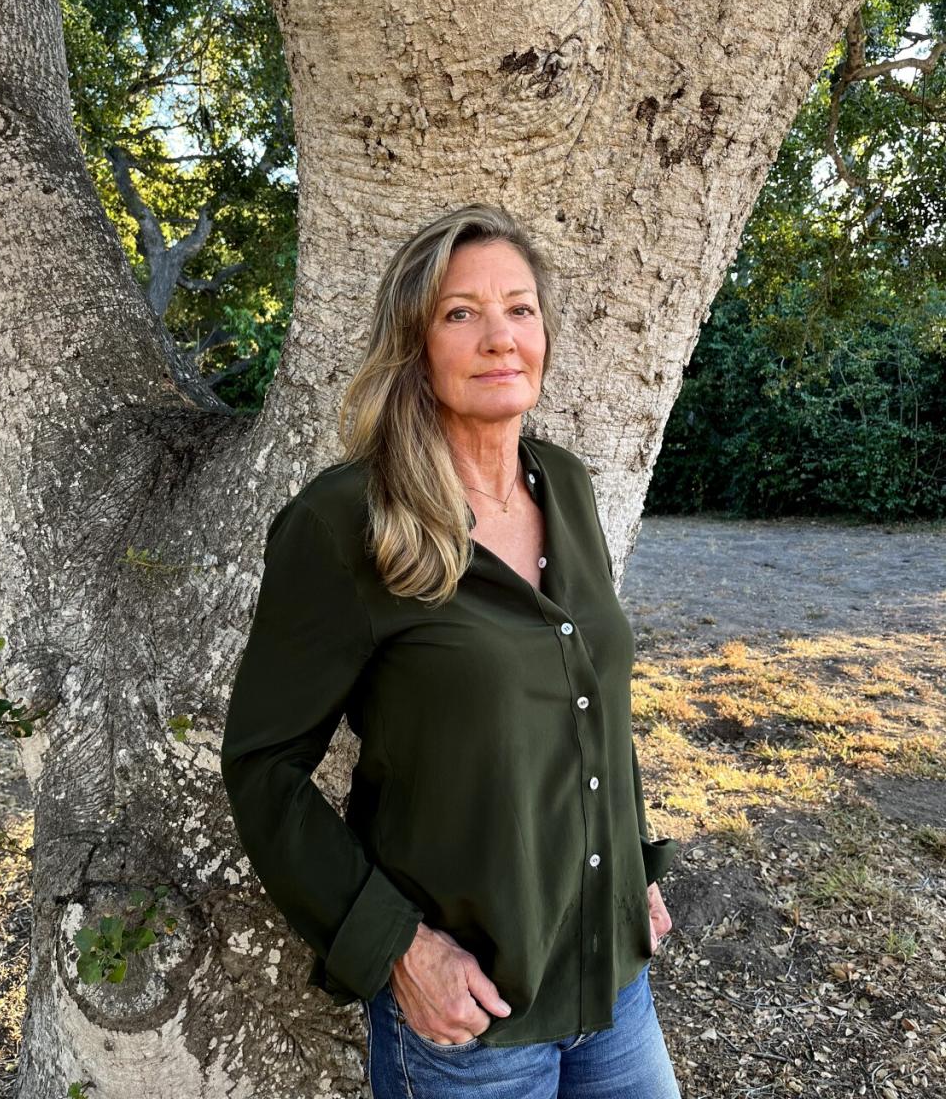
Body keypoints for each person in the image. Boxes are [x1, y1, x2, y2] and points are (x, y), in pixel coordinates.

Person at [219, 203, 683, 1098]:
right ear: (415, 343)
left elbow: (590, 695)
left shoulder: (569, 486)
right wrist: (398, 948)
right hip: (471, 1024)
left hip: (613, 983)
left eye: (520, 309)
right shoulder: (345, 521)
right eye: (460, 313)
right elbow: (263, 766)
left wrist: (630, 866)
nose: (499, 337)